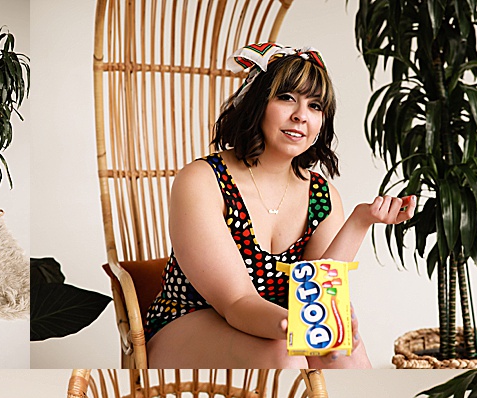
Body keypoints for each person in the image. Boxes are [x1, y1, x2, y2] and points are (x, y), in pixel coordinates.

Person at [144, 44, 416, 368]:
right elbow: (237, 302)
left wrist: (360, 221)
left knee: (345, 356)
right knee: (285, 353)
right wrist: (297, 329)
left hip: (279, 324)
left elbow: (317, 293)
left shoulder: (321, 195)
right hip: (189, 322)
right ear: (257, 103)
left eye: (315, 105)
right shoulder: (203, 180)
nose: (301, 115)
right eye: (287, 97)